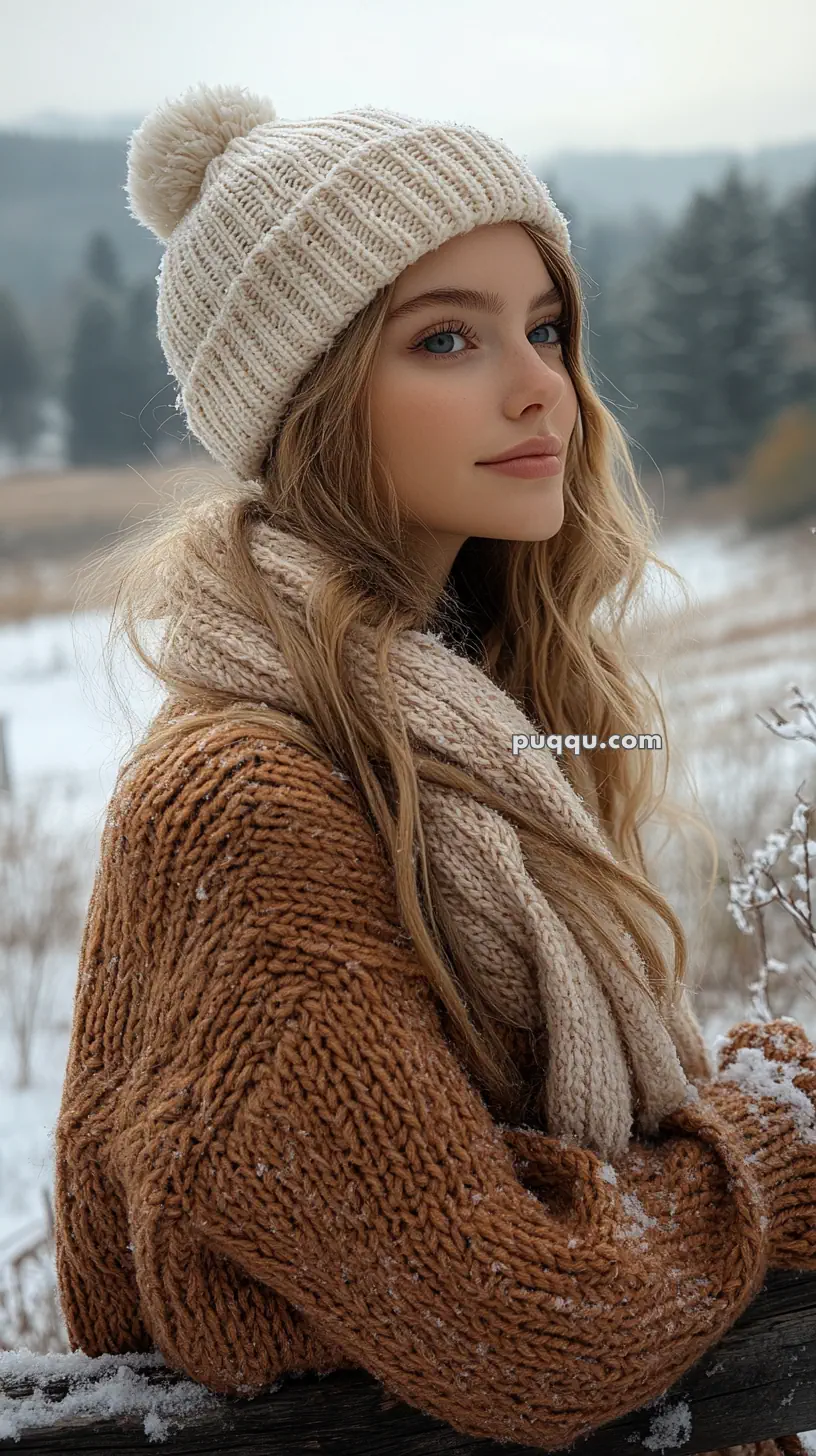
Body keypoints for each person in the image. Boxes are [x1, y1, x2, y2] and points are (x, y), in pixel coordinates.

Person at [53, 81, 816, 1455]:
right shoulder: (247, 807)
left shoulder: (487, 727)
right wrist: (766, 1138)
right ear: (311, 397)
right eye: (447, 337)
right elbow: (532, 1327)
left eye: (548, 327)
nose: (542, 386)